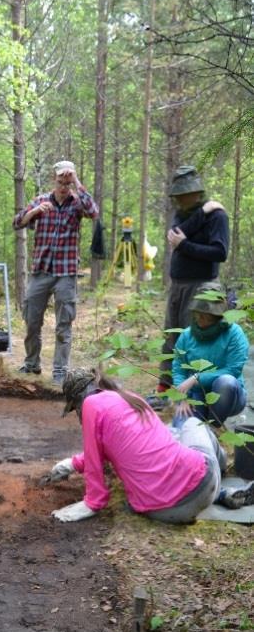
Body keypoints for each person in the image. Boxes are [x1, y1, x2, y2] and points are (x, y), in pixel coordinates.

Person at [50, 368, 224, 524]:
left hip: (160, 511)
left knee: (188, 425)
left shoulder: (91, 404)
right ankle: (222, 476)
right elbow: (102, 451)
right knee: (192, 425)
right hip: (203, 484)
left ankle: (221, 486)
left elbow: (95, 460)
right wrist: (73, 464)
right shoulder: (130, 398)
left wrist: (91, 504)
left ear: (78, 397)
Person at [149, 165, 229, 409]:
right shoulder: (185, 214)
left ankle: (192, 396)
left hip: (203, 287)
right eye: (177, 195)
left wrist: (185, 245)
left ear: (196, 192)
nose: (180, 199)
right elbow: (176, 235)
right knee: (171, 338)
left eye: (184, 194)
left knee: (194, 340)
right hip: (179, 285)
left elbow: (220, 252)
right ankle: (165, 391)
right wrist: (201, 214)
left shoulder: (218, 217)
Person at [13, 160, 98, 386]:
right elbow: (17, 222)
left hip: (66, 273)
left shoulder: (77, 203)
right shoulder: (41, 201)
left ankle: (60, 371)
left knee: (63, 325)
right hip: (41, 271)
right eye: (60, 182)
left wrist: (78, 181)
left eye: (67, 182)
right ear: (54, 180)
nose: (63, 186)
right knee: (31, 319)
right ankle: (32, 364)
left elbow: (93, 211)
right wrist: (34, 212)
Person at [172, 283, 248, 427]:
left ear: (218, 315)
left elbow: (233, 370)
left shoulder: (234, 333)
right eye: (198, 314)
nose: (200, 319)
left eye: (206, 316)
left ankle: (214, 426)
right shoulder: (187, 335)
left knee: (226, 381)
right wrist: (182, 398)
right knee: (181, 428)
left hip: (228, 396)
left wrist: (196, 378)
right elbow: (178, 368)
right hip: (196, 395)